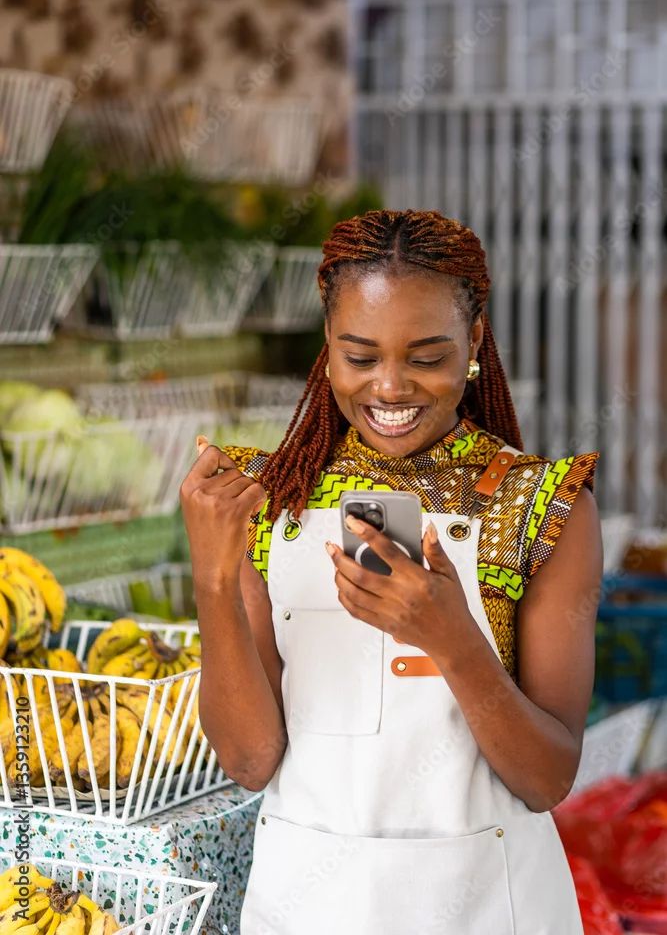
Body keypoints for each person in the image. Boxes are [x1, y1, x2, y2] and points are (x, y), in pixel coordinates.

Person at [180, 209, 603, 934]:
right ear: (327, 345)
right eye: (361, 354)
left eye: (426, 356)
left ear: (472, 342)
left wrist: (451, 639)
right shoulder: (263, 499)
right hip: (308, 905)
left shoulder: (541, 507)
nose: (390, 387)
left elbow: (546, 778)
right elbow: (250, 760)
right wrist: (214, 581)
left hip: (485, 906)